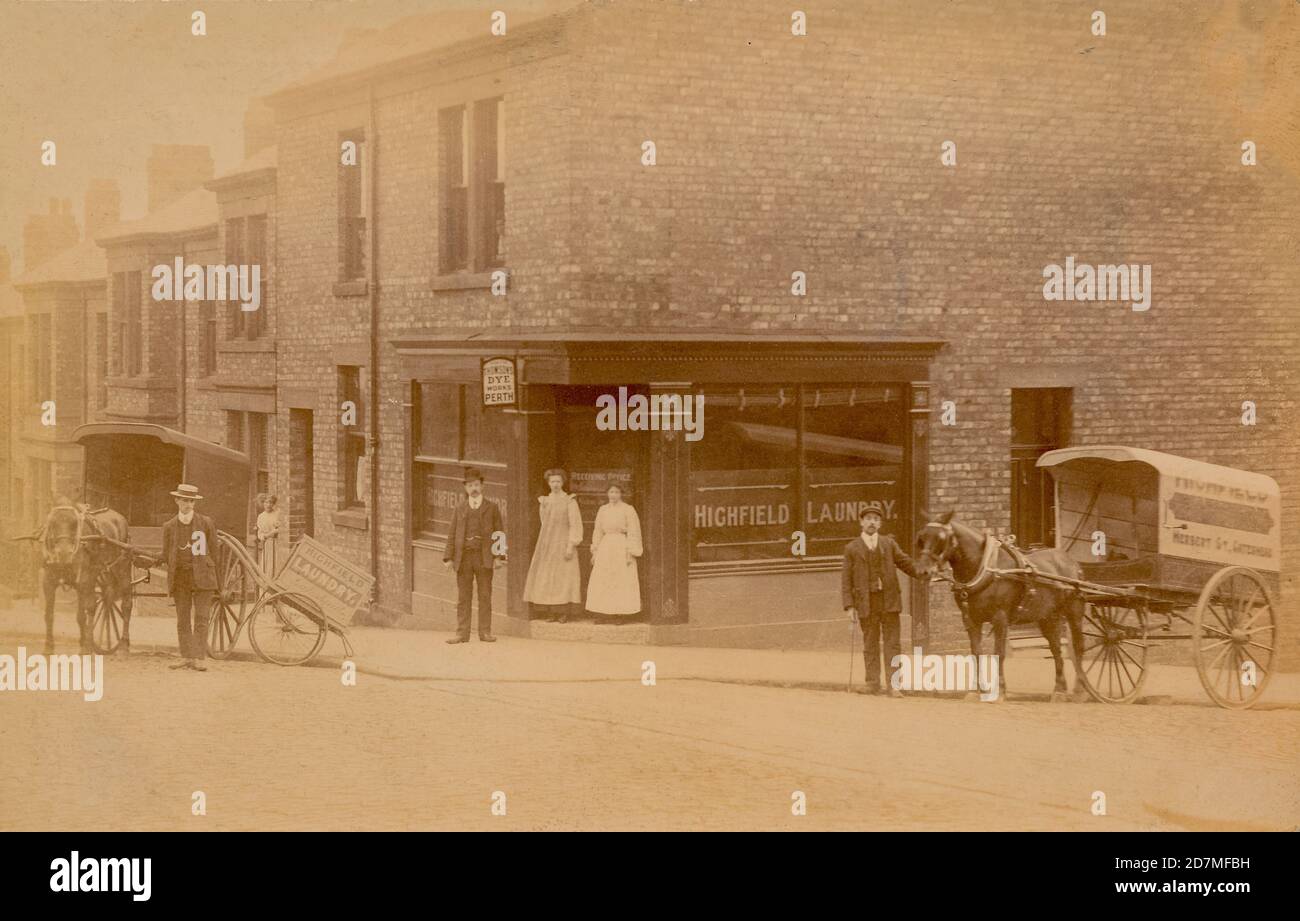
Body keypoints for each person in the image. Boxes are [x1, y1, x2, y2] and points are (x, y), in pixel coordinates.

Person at [841, 502, 919, 697]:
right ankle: (872, 683)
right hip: (866, 602)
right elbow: (846, 579)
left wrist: (924, 572)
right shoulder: (852, 548)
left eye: (876, 520)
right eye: (868, 519)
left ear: (880, 524)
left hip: (889, 600)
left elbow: (905, 563)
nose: (872, 523)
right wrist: (849, 606)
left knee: (893, 643)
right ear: (861, 522)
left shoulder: (889, 544)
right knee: (870, 643)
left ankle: (894, 685)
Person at [442, 467, 506, 643]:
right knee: (463, 597)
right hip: (464, 559)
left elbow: (499, 532)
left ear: (482, 486)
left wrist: (499, 556)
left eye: (476, 485)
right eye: (470, 485)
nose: (473, 488)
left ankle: (485, 632)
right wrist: (448, 557)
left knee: (485, 596)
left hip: (484, 557)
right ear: (465, 488)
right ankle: (462, 633)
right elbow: (452, 533)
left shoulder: (491, 508)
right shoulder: (460, 508)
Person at [161, 483, 219, 671]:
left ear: (195, 503)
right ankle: (186, 656)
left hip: (203, 577)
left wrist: (213, 576)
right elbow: (166, 553)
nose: (188, 504)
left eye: (191, 501)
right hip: (181, 578)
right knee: (183, 619)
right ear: (177, 500)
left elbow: (214, 552)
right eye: (184, 500)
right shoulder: (169, 526)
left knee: (202, 617)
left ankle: (199, 657)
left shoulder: (205, 523)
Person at [522, 469, 584, 623]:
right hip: (548, 542)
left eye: (558, 481)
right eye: (552, 482)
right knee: (549, 576)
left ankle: (564, 612)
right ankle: (552, 611)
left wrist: (571, 545)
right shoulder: (545, 501)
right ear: (548, 483)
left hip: (563, 541)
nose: (555, 484)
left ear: (563, 483)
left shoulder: (570, 501)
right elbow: (545, 522)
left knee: (564, 576)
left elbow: (575, 524)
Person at [585, 484, 642, 622]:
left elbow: (634, 531)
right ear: (607, 493)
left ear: (621, 494)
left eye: (616, 492)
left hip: (621, 545)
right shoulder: (603, 510)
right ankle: (604, 613)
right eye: (611, 492)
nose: (613, 495)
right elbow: (597, 530)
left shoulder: (628, 509)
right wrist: (595, 551)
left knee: (620, 579)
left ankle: (620, 614)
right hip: (606, 546)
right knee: (604, 579)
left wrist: (630, 551)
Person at [256, 493, 283, 577]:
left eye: (271, 502)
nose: (268, 505)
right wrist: (264, 536)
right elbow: (260, 533)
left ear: (273, 504)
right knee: (267, 565)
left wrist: (275, 532)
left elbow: (281, 528)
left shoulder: (277, 513)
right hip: (267, 544)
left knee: (276, 564)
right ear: (263, 503)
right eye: (266, 502)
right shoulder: (261, 516)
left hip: (277, 543)